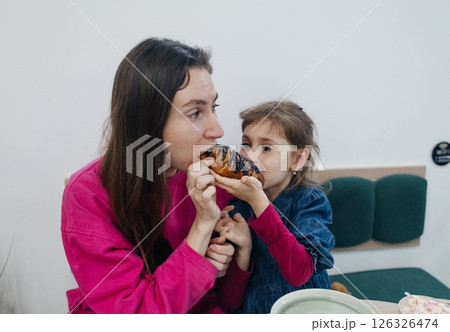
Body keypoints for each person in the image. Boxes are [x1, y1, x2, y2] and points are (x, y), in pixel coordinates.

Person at [61, 38, 252, 314]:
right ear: (148, 122)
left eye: (214, 108)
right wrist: (202, 227)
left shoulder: (214, 176)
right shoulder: (88, 195)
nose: (218, 130)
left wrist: (234, 257)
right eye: (196, 112)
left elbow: (225, 299)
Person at [211, 101, 335, 314]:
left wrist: (260, 203)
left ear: (297, 159)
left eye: (267, 148)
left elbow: (299, 273)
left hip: (305, 312)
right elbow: (229, 302)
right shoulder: (237, 208)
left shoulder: (310, 202)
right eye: (247, 144)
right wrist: (245, 250)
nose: (249, 156)